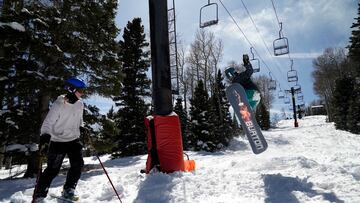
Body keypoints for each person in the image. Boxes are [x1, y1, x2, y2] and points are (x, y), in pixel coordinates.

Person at [34, 77, 86, 202]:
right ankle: (40, 195)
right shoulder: (58, 104)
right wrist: (45, 137)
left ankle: (69, 189)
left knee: (78, 165)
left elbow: (80, 120)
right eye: (81, 90)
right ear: (71, 89)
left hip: (73, 139)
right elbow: (48, 123)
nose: (83, 93)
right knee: (52, 170)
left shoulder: (80, 103)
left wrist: (82, 127)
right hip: (58, 141)